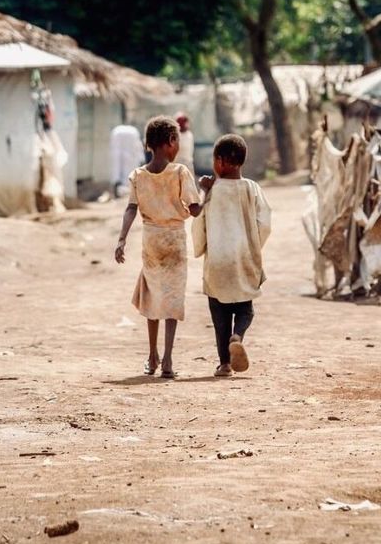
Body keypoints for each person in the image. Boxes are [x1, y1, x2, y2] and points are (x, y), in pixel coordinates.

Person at [113, 116, 201, 379]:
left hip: (151, 241)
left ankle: (152, 355)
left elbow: (131, 208)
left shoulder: (138, 176)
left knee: (152, 298)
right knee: (172, 299)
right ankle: (168, 360)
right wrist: (208, 193)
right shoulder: (180, 172)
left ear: (148, 144)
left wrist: (121, 239)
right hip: (174, 241)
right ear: (172, 142)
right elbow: (195, 209)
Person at [192, 134, 271, 377]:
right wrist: (254, 246)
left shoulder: (212, 191)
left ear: (222, 162)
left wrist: (201, 247)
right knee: (245, 309)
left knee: (219, 315)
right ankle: (238, 336)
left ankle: (225, 363)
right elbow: (264, 223)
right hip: (244, 257)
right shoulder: (252, 188)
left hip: (217, 262)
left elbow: (200, 223)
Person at [109, 122, 143, 197]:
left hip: (125, 158)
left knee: (118, 172)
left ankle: (119, 191)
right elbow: (139, 149)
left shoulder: (117, 132)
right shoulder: (133, 132)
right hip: (131, 159)